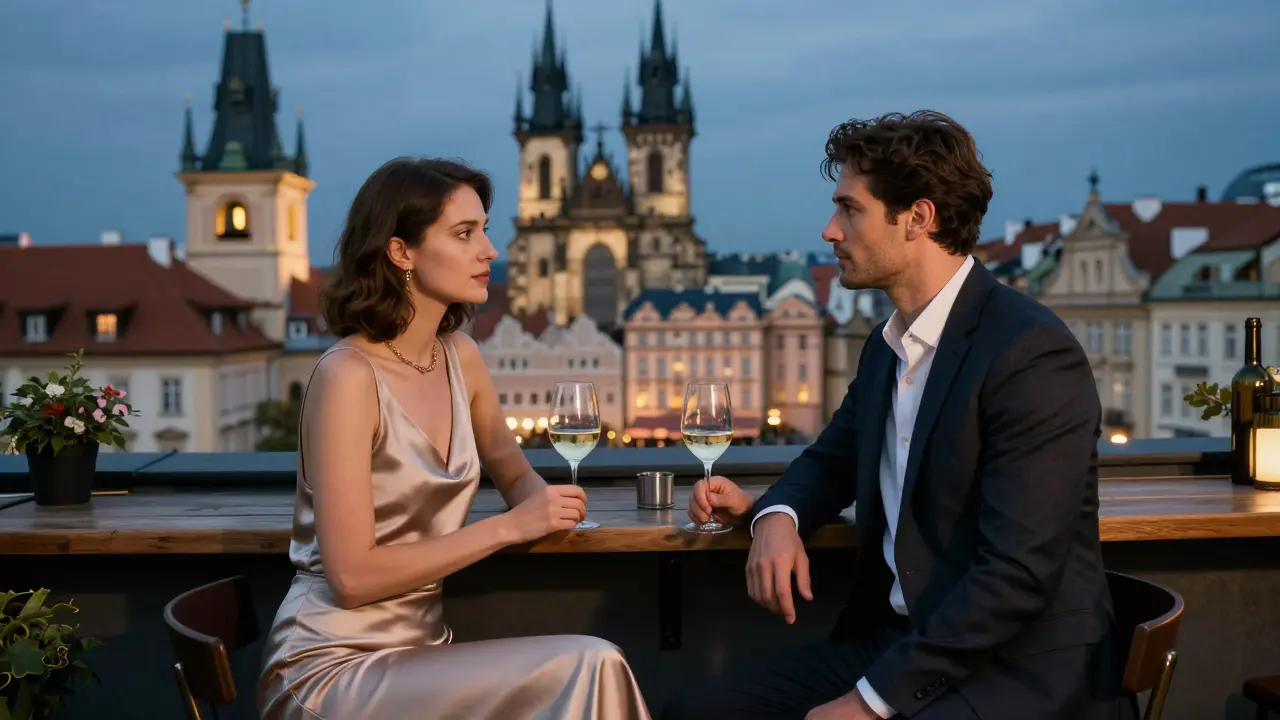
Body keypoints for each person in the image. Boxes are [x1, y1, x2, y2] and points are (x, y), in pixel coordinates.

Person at [665, 112, 1122, 719]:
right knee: (692, 713)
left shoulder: (1030, 351)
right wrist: (775, 517)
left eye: (849, 209)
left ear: (918, 218)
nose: (829, 230)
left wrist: (868, 702)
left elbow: (1014, 576)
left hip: (1010, 670)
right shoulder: (889, 346)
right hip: (904, 645)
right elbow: (830, 461)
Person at [257, 157, 651, 720]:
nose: (490, 250)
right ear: (401, 253)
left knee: (592, 669)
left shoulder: (461, 355)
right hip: (330, 668)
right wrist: (510, 527)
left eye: (484, 230)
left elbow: (512, 470)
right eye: (465, 234)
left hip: (420, 658)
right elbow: (350, 577)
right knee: (593, 665)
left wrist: (544, 501)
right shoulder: (346, 376)